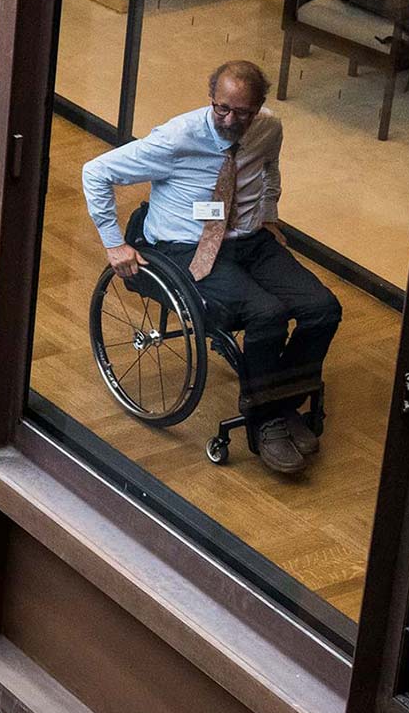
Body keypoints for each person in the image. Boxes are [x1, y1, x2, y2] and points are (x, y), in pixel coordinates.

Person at [81, 60, 340, 475]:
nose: (231, 120)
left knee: (322, 308)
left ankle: (282, 400)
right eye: (222, 108)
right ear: (210, 98)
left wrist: (269, 214)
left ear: (259, 108)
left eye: (243, 113)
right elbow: (95, 172)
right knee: (266, 314)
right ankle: (266, 423)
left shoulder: (269, 129)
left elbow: (269, 169)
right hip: (187, 247)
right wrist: (115, 244)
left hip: (249, 240)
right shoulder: (176, 138)